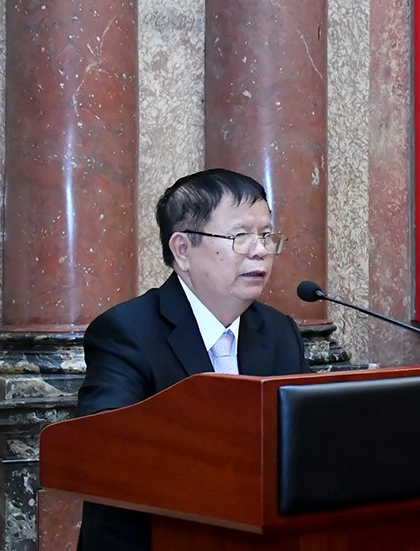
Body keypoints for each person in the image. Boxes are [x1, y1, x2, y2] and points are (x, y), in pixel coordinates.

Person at [74, 167, 311, 551]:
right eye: (240, 236)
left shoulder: (279, 331)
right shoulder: (127, 331)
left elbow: (309, 435)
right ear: (182, 249)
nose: (260, 250)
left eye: (266, 235)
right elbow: (102, 448)